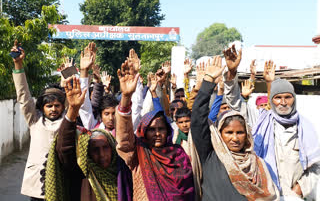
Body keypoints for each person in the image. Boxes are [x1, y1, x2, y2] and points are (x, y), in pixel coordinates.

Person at [191, 54, 279, 201]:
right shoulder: (210, 156)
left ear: (247, 135)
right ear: (220, 133)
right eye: (229, 132)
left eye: (240, 132)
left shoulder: (256, 163)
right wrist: (208, 82)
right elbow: (198, 119)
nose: (235, 138)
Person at [115, 59, 195, 200]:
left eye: (161, 129)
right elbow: (124, 138)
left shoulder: (178, 154)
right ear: (144, 132)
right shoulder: (138, 152)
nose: (157, 134)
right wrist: (126, 97)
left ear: (168, 131)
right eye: (152, 130)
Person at [45, 77, 132, 201]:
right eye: (95, 150)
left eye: (105, 148)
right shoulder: (83, 172)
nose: (101, 154)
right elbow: (64, 149)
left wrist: (127, 96)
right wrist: (73, 110)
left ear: (112, 148)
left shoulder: (122, 172)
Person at [252, 62, 320, 199]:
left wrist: (299, 189)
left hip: (293, 196)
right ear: (272, 100)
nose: (283, 102)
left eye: (287, 97)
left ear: (294, 99)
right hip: (266, 195)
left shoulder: (305, 127)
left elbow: (316, 166)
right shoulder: (263, 124)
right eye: (278, 98)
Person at [11, 40, 66, 200]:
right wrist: (18, 65)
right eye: (49, 106)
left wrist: (72, 74)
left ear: (63, 107)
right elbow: (23, 96)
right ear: (42, 108)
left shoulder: (67, 121)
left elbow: (74, 101)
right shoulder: (35, 120)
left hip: (61, 182)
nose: (54, 109)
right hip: (37, 185)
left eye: (57, 105)